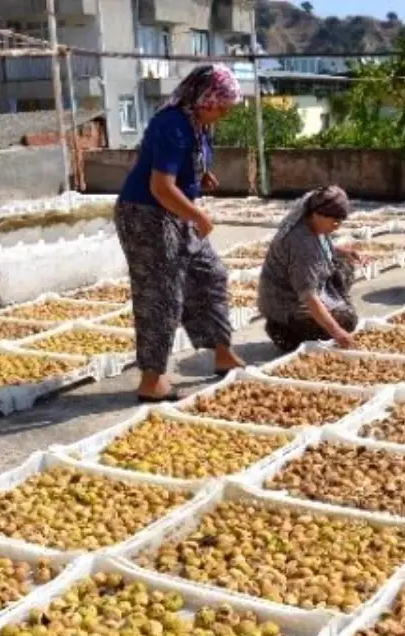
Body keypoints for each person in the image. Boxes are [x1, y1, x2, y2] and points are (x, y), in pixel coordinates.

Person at [114, 64, 246, 403]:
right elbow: (160, 187)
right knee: (161, 294)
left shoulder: (199, 124)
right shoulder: (171, 124)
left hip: (174, 210)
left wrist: (200, 176)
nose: (226, 113)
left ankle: (221, 352)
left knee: (211, 274)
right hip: (146, 215)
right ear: (205, 99)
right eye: (223, 106)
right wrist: (197, 214)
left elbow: (181, 166)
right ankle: (152, 379)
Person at [257, 185, 367, 352]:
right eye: (334, 220)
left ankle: (311, 321)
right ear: (316, 214)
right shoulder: (301, 244)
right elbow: (309, 296)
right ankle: (284, 331)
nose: (337, 225)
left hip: (299, 288)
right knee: (347, 322)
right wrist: (338, 333)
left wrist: (345, 252)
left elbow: (323, 248)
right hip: (286, 303)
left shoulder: (312, 223)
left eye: (340, 220)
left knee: (344, 267)